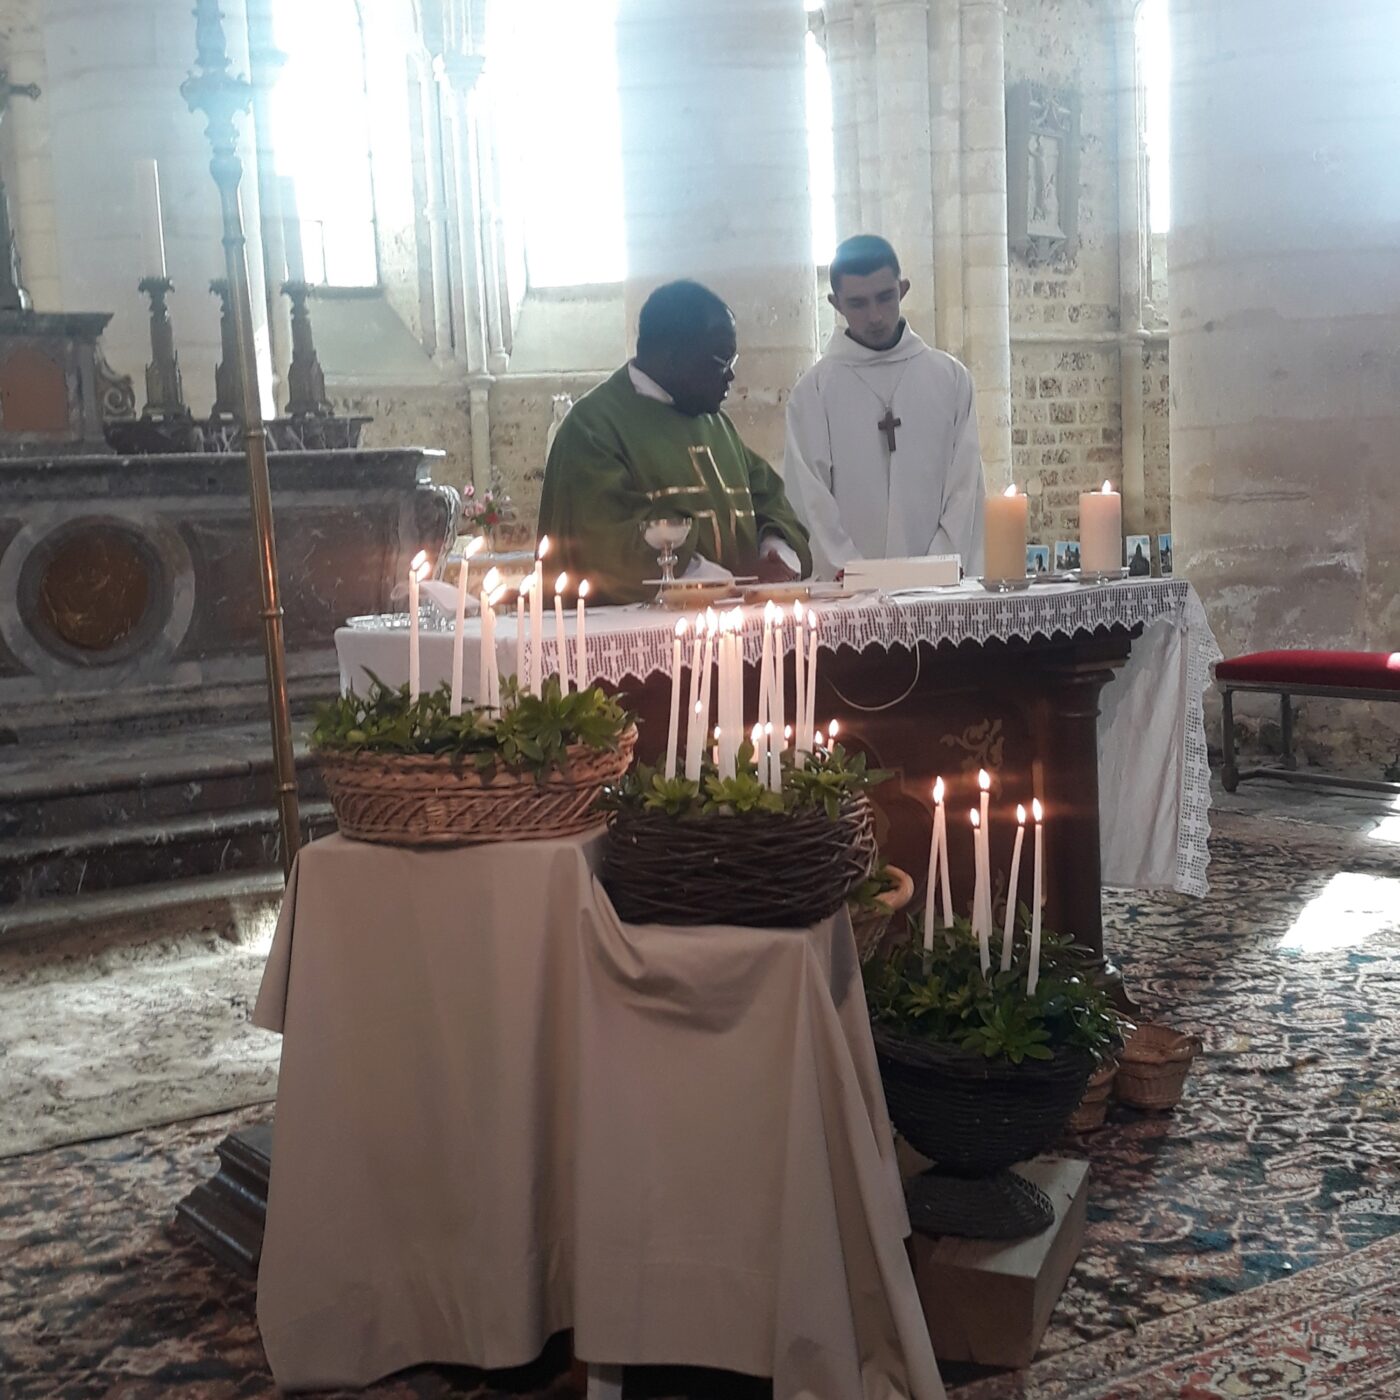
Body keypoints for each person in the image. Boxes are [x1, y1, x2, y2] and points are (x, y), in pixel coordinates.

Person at [536, 280, 812, 604]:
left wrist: (775, 554)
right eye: (720, 362)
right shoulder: (593, 427)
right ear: (669, 356)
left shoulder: (715, 424)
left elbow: (770, 500)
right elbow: (602, 546)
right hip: (642, 642)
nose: (730, 377)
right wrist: (721, 582)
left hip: (736, 631)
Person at [783, 234, 986, 579]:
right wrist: (856, 575)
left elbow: (965, 487)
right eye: (858, 303)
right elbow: (808, 499)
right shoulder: (813, 393)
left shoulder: (950, 379)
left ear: (903, 289)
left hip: (940, 593)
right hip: (850, 599)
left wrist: (935, 571)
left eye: (885, 297)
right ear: (836, 303)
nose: (875, 316)